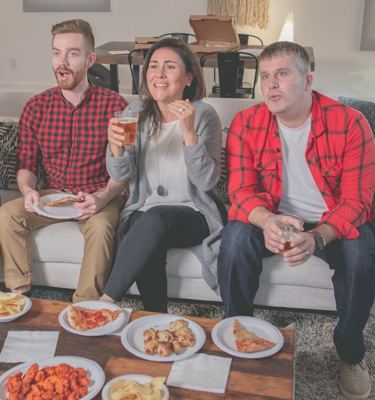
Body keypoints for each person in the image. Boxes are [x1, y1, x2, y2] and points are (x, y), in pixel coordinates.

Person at [218, 41, 375, 400]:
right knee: (236, 237)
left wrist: (317, 237)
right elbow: (241, 192)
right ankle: (236, 333)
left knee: (363, 252)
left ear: (308, 81)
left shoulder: (350, 123)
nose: (271, 84)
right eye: (266, 76)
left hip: (328, 219)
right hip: (274, 213)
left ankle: (351, 353)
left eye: (283, 74)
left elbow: (357, 201)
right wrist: (266, 220)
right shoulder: (246, 122)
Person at [0, 19, 128, 302]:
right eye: (56, 52)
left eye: (72, 53)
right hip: (53, 196)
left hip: (98, 194)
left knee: (102, 228)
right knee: (8, 214)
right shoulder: (36, 106)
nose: (62, 62)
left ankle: (85, 308)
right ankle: (19, 296)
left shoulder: (115, 106)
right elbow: (26, 166)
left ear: (90, 59)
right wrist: (29, 191)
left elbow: (126, 171)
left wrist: (103, 198)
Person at [100, 38, 226, 312]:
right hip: (144, 211)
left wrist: (189, 133)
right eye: (153, 66)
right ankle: (155, 317)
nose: (159, 73)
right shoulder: (134, 112)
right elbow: (122, 174)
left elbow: (207, 181)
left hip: (194, 213)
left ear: (188, 77)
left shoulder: (204, 115)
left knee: (154, 219)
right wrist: (116, 148)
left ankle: (106, 302)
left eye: (169, 66)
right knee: (145, 227)